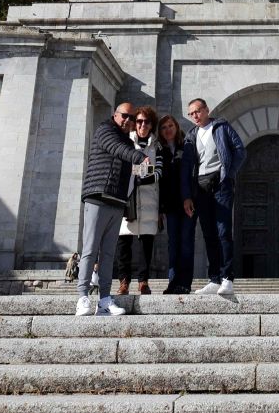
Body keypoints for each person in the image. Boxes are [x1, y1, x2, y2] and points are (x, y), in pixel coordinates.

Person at [76, 99, 151, 317]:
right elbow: (116, 149)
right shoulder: (105, 130)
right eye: (124, 116)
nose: (127, 120)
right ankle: (82, 297)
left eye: (131, 117)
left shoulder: (128, 143)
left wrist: (151, 171)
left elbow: (135, 174)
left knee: (108, 254)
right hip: (98, 196)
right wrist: (140, 157)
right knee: (90, 249)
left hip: (117, 202)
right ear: (115, 115)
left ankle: (105, 300)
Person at [183, 96, 245, 295]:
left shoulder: (221, 127)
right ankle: (214, 279)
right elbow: (187, 166)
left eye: (198, 111)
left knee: (223, 231)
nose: (195, 116)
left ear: (207, 110)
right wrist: (188, 195)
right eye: (191, 113)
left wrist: (229, 173)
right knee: (209, 234)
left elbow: (239, 150)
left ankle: (227, 278)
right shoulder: (191, 135)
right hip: (200, 188)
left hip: (220, 185)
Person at [114, 107, 160, 295]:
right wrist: (143, 173)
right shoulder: (125, 141)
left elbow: (158, 173)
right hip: (128, 199)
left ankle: (143, 281)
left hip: (149, 200)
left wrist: (139, 173)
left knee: (146, 244)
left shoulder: (156, 146)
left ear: (151, 125)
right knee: (123, 242)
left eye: (146, 122)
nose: (142, 125)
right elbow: (123, 168)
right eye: (139, 121)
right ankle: (123, 282)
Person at [158, 113, 194, 294]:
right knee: (173, 243)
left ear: (176, 127)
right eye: (164, 127)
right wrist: (160, 208)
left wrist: (189, 197)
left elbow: (189, 175)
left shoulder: (186, 147)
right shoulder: (160, 151)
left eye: (170, 126)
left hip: (187, 203)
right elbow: (160, 183)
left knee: (186, 242)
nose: (167, 130)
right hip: (170, 205)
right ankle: (173, 282)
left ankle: (185, 283)